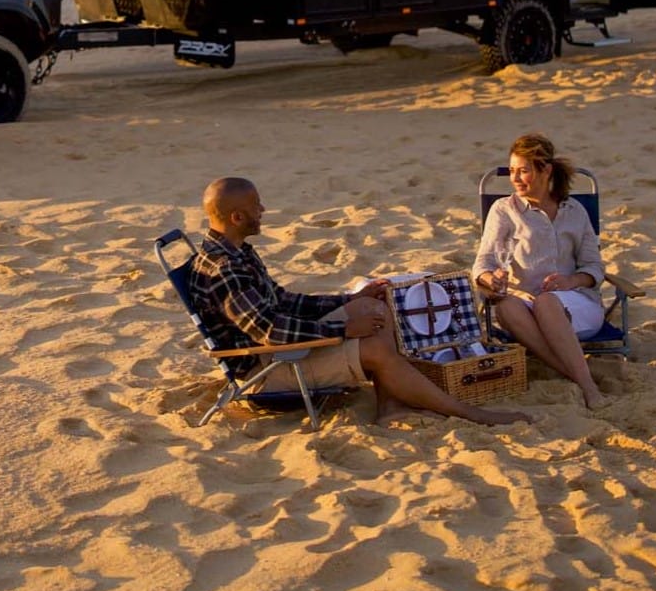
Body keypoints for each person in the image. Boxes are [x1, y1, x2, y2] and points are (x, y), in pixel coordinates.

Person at [190, 177, 530, 427]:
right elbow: (270, 331)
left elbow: (283, 301)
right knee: (374, 348)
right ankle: (471, 414)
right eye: (256, 207)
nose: (262, 211)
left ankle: (390, 407)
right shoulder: (225, 269)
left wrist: (351, 301)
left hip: (281, 347)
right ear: (237, 218)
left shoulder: (237, 252)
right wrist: (345, 330)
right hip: (268, 367)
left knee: (376, 307)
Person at [473, 133, 610, 409]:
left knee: (547, 302)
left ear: (545, 170)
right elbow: (482, 265)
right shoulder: (504, 210)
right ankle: (577, 375)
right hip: (524, 304)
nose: (515, 178)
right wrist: (492, 279)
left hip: (575, 302)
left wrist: (570, 281)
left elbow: (594, 267)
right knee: (505, 307)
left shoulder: (575, 211)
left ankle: (586, 386)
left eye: (523, 171)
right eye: (512, 171)